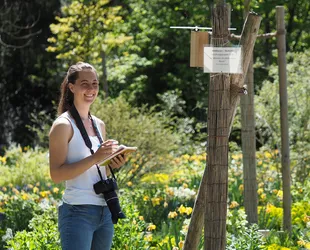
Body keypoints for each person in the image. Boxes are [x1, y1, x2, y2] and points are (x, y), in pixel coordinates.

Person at [49, 62, 126, 250]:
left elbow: (100, 169)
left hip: (105, 210)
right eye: (85, 83)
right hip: (77, 212)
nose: (91, 89)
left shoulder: (99, 124)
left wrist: (114, 162)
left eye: (95, 84)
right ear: (72, 87)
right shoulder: (62, 125)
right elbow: (56, 175)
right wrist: (94, 157)